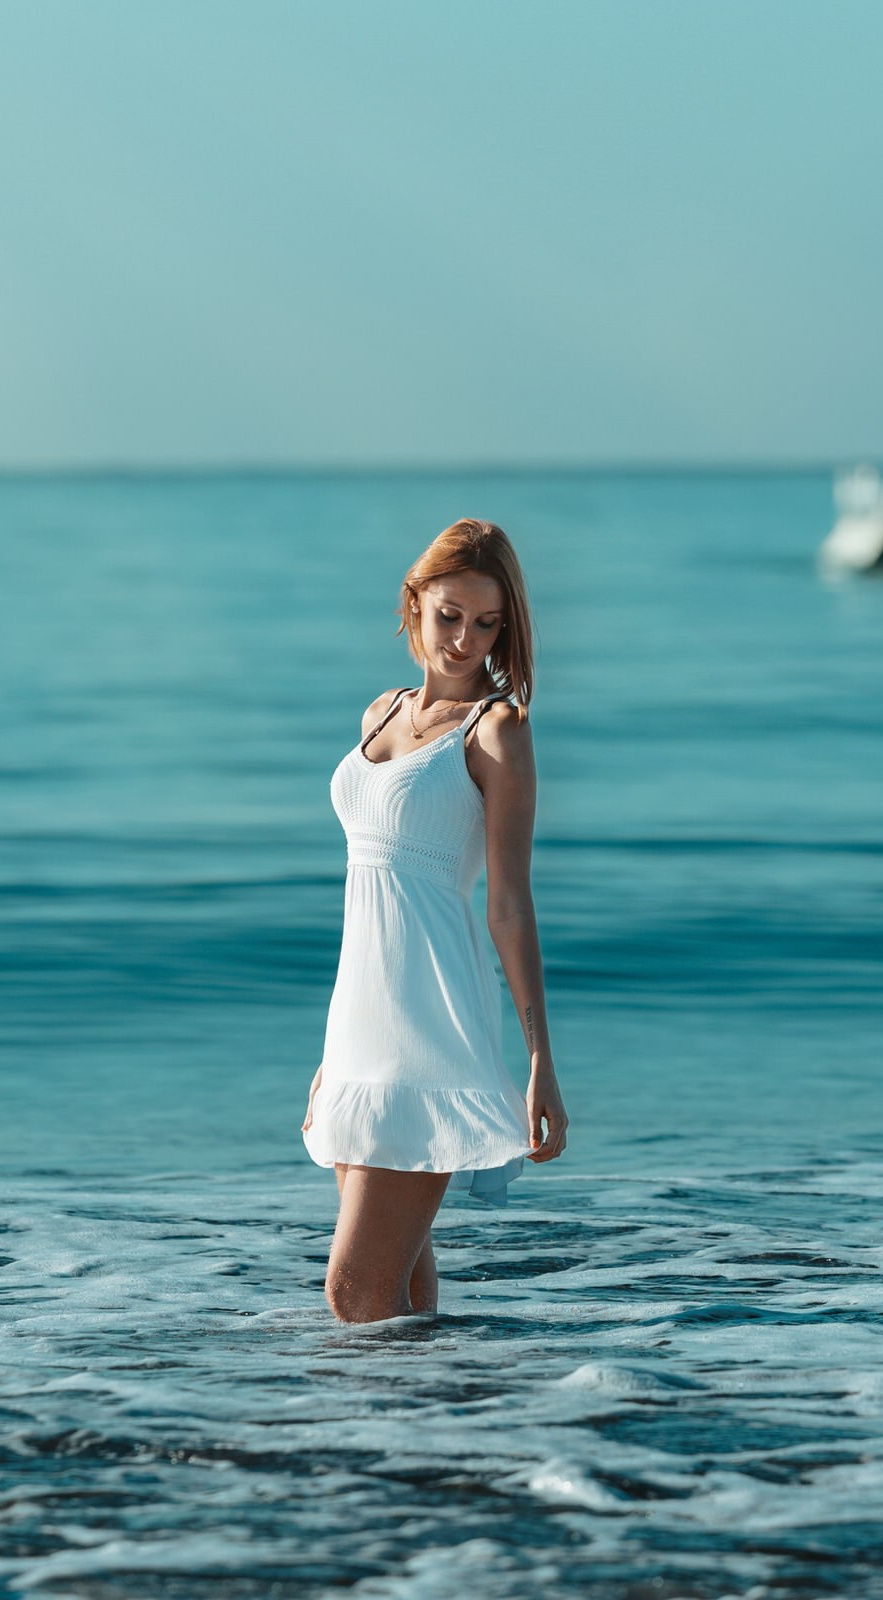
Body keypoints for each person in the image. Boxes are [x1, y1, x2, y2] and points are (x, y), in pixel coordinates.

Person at [301, 518, 570, 1323]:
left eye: (487, 623)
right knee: (403, 1290)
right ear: (413, 604)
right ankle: (432, 1436)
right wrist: (330, 1051)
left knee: (352, 1293)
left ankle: (368, 1446)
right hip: (360, 1031)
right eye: (450, 616)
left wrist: (538, 1060)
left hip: (431, 1031)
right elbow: (368, 902)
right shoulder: (378, 715)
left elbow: (509, 902)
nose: (464, 641)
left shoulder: (496, 731)